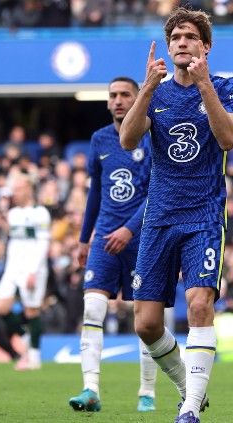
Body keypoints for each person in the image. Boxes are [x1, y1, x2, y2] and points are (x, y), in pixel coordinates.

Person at [120, 7, 233, 423]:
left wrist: (205, 83)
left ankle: (190, 409)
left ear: (206, 46)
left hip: (204, 215)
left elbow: (228, 139)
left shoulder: (226, 87)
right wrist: (146, 89)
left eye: (190, 37)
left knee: (199, 304)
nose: (182, 43)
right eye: (175, 38)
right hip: (159, 216)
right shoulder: (155, 92)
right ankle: (189, 389)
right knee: (147, 324)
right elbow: (127, 139)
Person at [67, 77, 158, 413]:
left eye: (125, 95)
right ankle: (90, 389)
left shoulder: (151, 137)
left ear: (139, 99)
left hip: (142, 239)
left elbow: (156, 192)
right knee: (92, 308)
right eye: (113, 96)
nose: (118, 100)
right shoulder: (99, 139)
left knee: (145, 319)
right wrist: (83, 237)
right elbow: (95, 192)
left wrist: (129, 230)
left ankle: (146, 391)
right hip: (104, 239)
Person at [0, 173, 51, 371]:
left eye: (18, 189)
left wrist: (33, 271)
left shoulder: (41, 213)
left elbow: (43, 244)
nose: (14, 193)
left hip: (32, 268)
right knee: (1, 307)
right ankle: (27, 338)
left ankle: (34, 357)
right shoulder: (12, 214)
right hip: (12, 268)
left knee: (31, 309)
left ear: (28, 189)